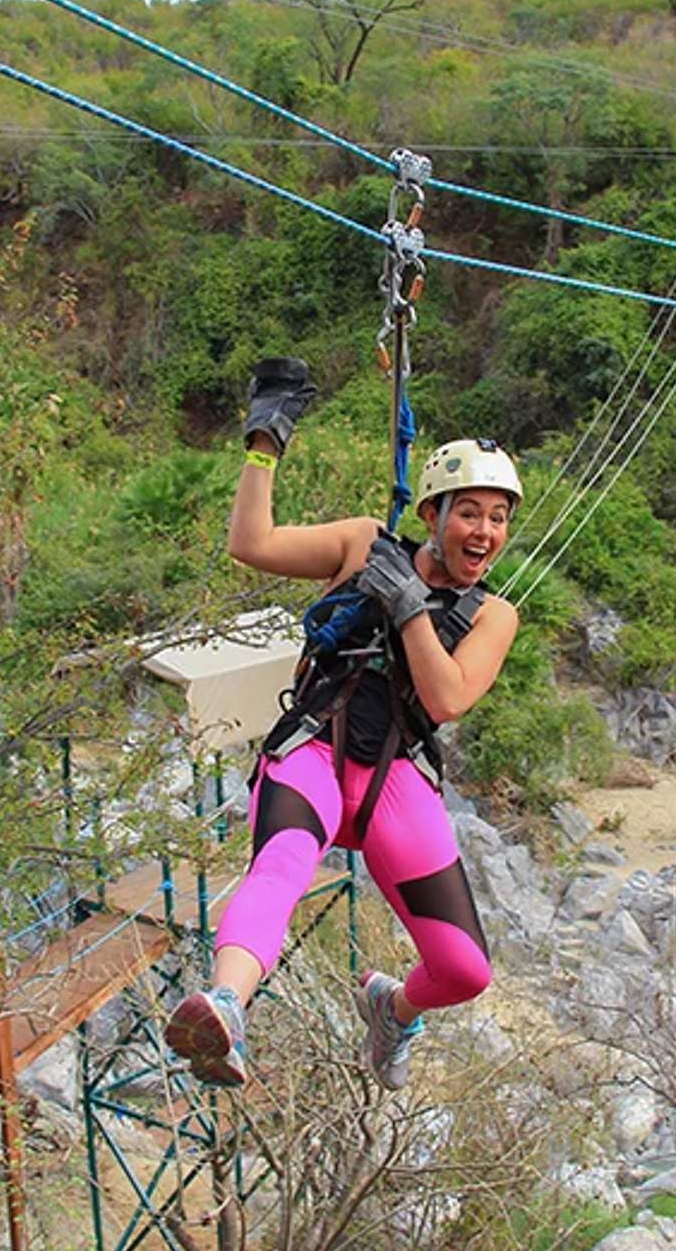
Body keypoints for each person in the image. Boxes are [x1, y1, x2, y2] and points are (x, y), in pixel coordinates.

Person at [163, 356, 522, 1092]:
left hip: (395, 778)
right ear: (432, 514)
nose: (484, 530)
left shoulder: (493, 614)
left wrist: (410, 609)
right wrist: (263, 448)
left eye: (498, 517)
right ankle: (227, 1005)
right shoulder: (365, 545)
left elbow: (448, 697)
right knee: (283, 865)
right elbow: (252, 545)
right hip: (315, 751)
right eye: (469, 512)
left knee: (463, 969)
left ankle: (393, 1009)